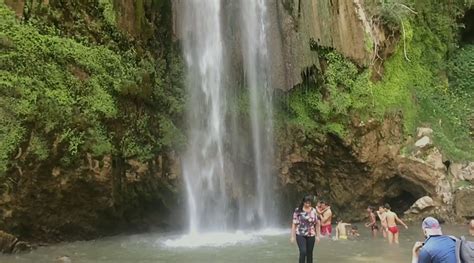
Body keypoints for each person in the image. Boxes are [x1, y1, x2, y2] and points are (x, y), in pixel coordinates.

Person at [291, 195, 321, 263]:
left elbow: (317, 224)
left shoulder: (314, 210)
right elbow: (294, 223)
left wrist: (318, 236)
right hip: (300, 234)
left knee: (309, 254)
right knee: (303, 252)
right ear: (303, 202)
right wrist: (292, 236)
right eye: (306, 203)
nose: (308, 204)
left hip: (311, 234)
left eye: (309, 203)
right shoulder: (298, 210)